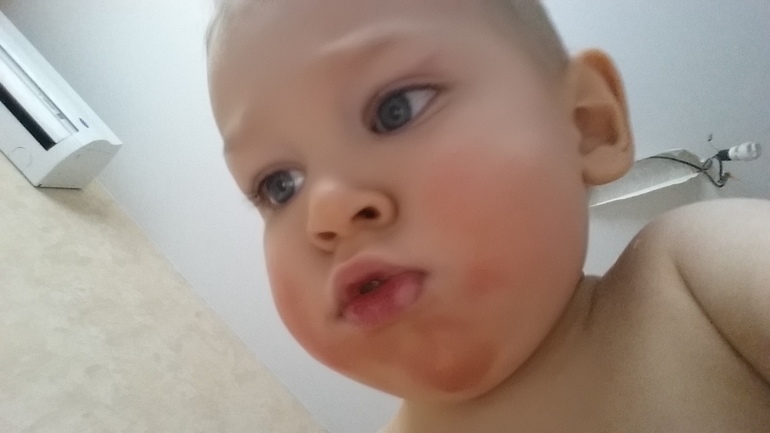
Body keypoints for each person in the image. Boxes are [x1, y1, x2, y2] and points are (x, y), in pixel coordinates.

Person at [205, 0, 770, 431]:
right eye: (279, 187)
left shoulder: (693, 280)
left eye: (396, 110)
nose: (326, 211)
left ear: (585, 123)